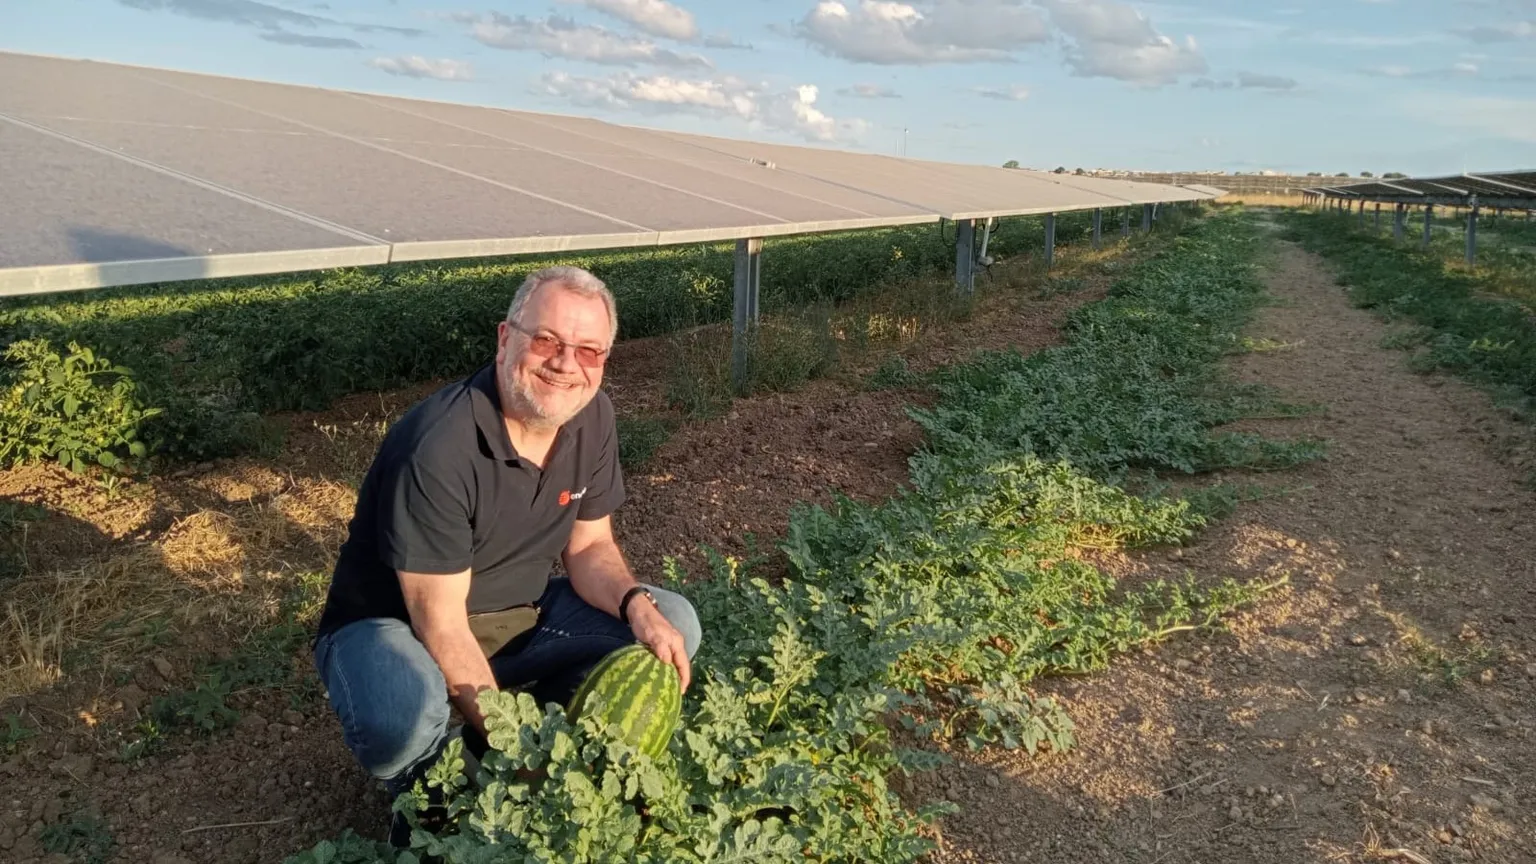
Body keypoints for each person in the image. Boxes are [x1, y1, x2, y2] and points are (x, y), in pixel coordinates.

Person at [309, 265, 701, 845]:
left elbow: (590, 546)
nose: (567, 364)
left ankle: (528, 739)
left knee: (672, 628)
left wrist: (637, 606)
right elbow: (440, 624)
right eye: (547, 340)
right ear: (505, 339)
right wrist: (523, 754)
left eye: (589, 351)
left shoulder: (592, 418)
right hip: (397, 629)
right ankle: (427, 794)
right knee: (404, 711)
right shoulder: (439, 446)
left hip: (515, 618)